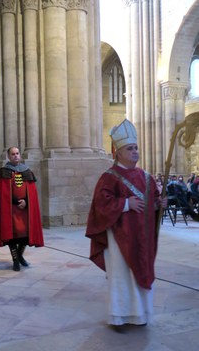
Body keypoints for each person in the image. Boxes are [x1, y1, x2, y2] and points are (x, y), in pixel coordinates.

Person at [85, 119, 167, 331]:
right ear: (118, 152)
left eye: (136, 148)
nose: (135, 152)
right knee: (122, 276)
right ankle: (119, 317)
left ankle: (140, 315)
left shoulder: (145, 177)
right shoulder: (109, 177)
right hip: (119, 238)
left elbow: (152, 202)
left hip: (142, 237)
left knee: (140, 273)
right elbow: (100, 205)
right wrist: (125, 204)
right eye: (130, 148)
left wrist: (159, 204)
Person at [0, 146, 44, 271]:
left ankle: (20, 256)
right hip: (11, 209)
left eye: (17, 153)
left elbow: (32, 192)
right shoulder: (4, 171)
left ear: (20, 155)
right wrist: (17, 202)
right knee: (12, 236)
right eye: (13, 154)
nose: (15, 156)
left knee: (25, 235)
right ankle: (15, 260)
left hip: (25, 210)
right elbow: (3, 193)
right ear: (8, 156)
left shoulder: (26, 171)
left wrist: (26, 201)